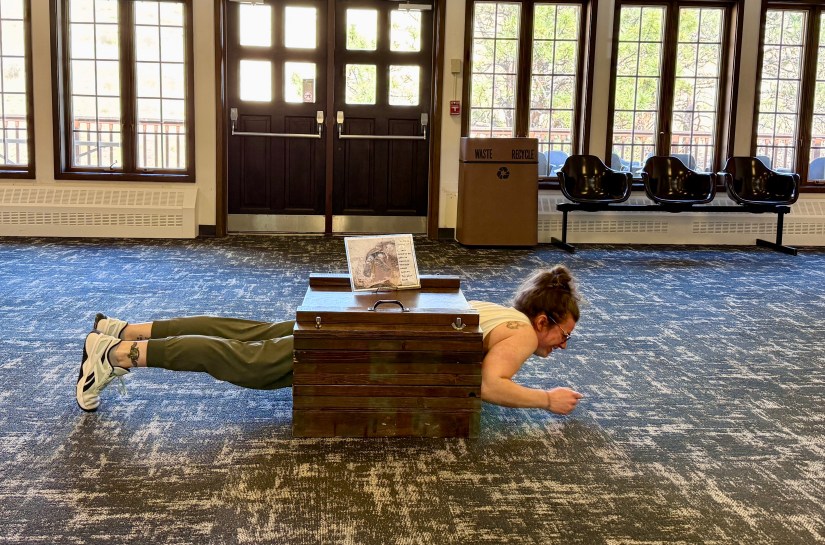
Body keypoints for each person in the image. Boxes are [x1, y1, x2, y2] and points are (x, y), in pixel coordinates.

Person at [76, 265, 583, 415]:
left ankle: (125, 329)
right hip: (356, 345)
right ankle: (118, 354)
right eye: (563, 334)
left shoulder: (499, 313)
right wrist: (545, 399)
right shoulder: (517, 337)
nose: (562, 344)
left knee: (243, 332)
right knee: (246, 363)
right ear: (542, 320)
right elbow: (491, 386)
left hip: (361, 326)